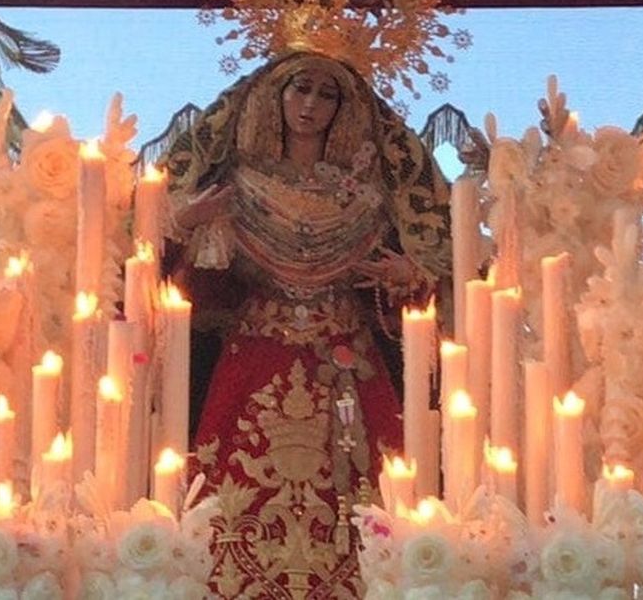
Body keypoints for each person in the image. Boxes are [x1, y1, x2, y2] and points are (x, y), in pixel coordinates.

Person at [161, 50, 451, 600]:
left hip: (346, 359)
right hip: (257, 355)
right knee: (233, 503)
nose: (310, 105)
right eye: (300, 89)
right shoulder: (240, 187)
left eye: (326, 94)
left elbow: (424, 283)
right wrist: (185, 221)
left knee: (368, 497)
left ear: (344, 109)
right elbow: (178, 276)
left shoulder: (366, 199)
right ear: (276, 97)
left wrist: (408, 276)